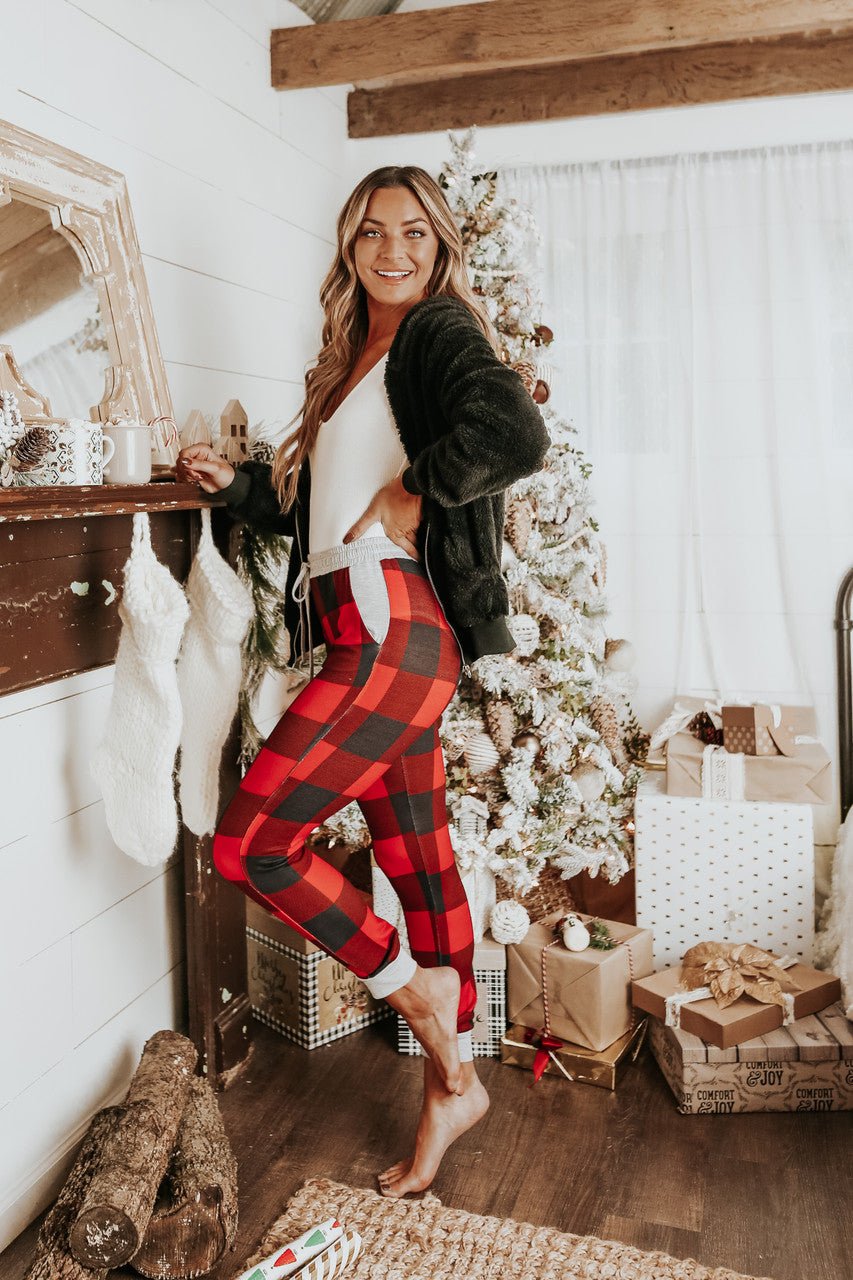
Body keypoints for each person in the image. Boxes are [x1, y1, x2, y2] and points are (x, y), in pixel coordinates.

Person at [176, 165, 549, 1197]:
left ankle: (419, 998)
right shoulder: (352, 358)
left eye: (414, 234)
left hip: (395, 629)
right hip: (357, 622)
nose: (392, 251)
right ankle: (453, 1085)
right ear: (349, 247)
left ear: (438, 248)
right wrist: (240, 486)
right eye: (373, 233)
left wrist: (407, 490)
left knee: (252, 839)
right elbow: (315, 516)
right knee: (418, 859)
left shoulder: (435, 332)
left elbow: (514, 433)